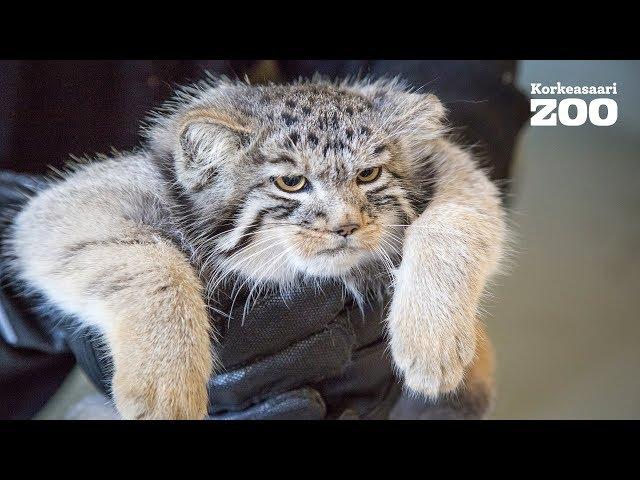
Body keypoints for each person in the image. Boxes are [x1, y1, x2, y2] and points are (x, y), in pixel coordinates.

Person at [0, 60, 529, 419]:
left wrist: (442, 261)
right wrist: (147, 294)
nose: (345, 218)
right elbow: (49, 221)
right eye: (291, 182)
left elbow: (445, 160)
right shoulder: (169, 177)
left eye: (366, 179)